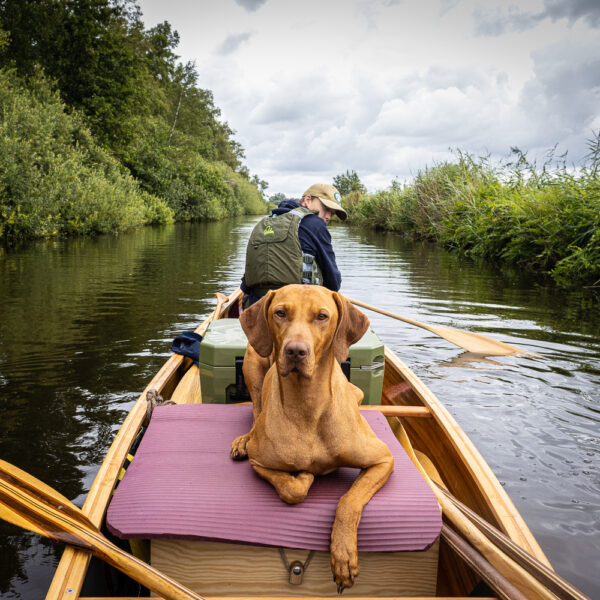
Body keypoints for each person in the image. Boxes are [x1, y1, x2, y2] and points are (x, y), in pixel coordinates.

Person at [241, 183, 346, 308]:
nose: (328, 216)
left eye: (332, 213)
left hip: (256, 306)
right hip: (298, 309)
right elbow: (333, 283)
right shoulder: (315, 224)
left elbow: (245, 286)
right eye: (326, 208)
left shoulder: (263, 223)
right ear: (308, 200)